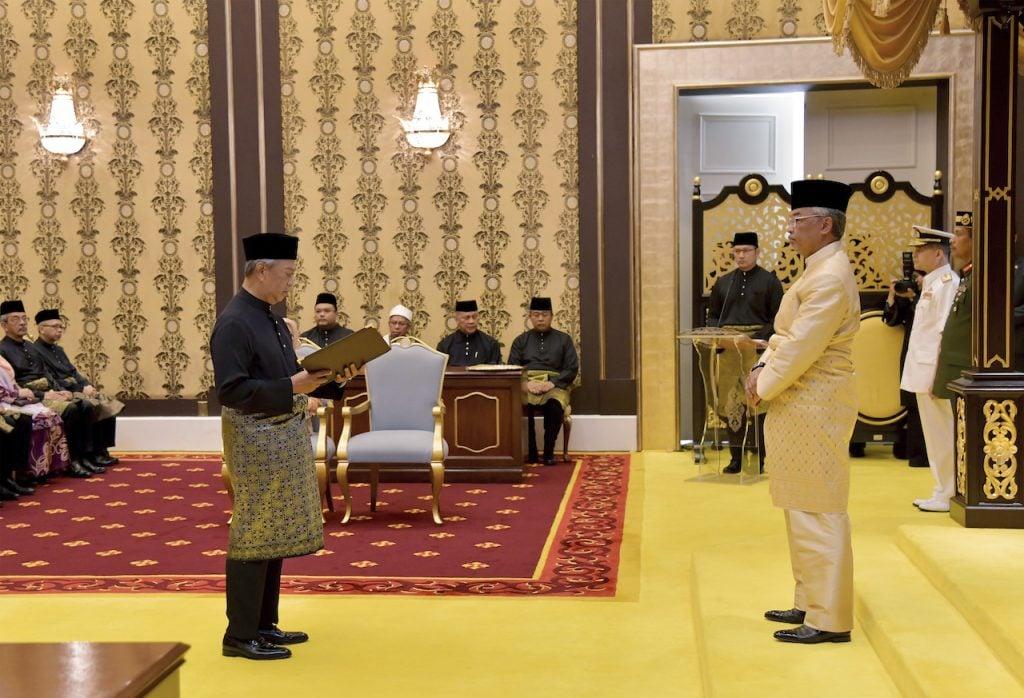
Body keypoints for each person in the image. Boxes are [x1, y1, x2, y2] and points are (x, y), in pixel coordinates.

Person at [211, 232, 344, 661]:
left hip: (280, 434)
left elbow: (292, 376)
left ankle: (263, 625)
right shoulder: (234, 322)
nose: (291, 282)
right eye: (287, 274)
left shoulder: (269, 318)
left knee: (273, 532)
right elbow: (232, 391)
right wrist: (294, 385)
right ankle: (239, 635)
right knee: (254, 530)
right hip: (254, 438)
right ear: (263, 270)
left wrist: (334, 376)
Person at [745, 179, 859, 644]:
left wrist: (762, 383)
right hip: (800, 402)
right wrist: (762, 366)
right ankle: (810, 600)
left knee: (819, 507)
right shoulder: (818, 268)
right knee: (800, 503)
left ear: (825, 225)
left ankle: (829, 618)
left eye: (797, 220)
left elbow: (801, 348)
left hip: (817, 402)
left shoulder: (830, 276)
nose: (789, 229)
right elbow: (786, 339)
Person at [703, 231, 783, 473]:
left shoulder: (770, 282)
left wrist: (756, 339)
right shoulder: (723, 282)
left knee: (758, 403)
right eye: (737, 251)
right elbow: (713, 317)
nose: (741, 256)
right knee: (731, 403)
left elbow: (778, 319)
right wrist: (721, 338)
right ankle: (735, 458)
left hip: (757, 351)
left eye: (746, 251)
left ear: (757, 252)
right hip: (729, 351)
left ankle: (760, 459)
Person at [0, 301, 101, 475]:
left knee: (83, 405)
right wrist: (44, 394)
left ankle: (84, 457)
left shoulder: (30, 347)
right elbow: (13, 385)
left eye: (24, 318)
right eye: (16, 319)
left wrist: (59, 390)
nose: (22, 323)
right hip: (29, 398)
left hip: (48, 392)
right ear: (4, 325)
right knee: (71, 409)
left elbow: (46, 373)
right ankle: (71, 462)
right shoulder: (2, 350)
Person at [899, 227, 958, 512]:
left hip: (933, 371)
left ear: (938, 254)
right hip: (923, 369)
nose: (915, 254)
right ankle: (941, 489)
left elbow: (945, 332)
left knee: (942, 434)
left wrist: (939, 375)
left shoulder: (947, 283)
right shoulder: (932, 282)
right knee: (934, 436)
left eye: (921, 250)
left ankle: (948, 492)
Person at [33, 309, 121, 467]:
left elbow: (74, 372)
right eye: (55, 326)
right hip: (63, 391)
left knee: (105, 401)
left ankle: (101, 450)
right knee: (89, 405)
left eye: (61, 327)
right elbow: (50, 379)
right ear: (41, 329)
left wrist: (87, 385)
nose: (59, 330)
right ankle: (87, 454)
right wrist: (79, 390)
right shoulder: (36, 351)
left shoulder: (58, 350)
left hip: (75, 388)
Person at [508, 297, 579, 465]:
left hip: (554, 385)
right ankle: (528, 452)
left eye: (545, 315)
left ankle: (548, 452)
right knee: (519, 405)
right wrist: (525, 384)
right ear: (530, 317)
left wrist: (552, 383)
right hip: (527, 384)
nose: (540, 319)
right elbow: (512, 367)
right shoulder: (520, 341)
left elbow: (571, 368)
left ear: (552, 316)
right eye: (536, 315)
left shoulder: (564, 339)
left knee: (554, 405)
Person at [932, 210, 974, 445]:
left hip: (965, 367)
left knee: (965, 438)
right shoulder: (968, 274)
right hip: (955, 367)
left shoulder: (982, 277)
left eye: (959, 234)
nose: (953, 240)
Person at [882, 269, 929, 468]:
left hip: (928, 354)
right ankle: (916, 454)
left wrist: (916, 297)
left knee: (928, 406)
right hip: (911, 353)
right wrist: (893, 294)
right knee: (912, 404)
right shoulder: (907, 295)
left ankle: (925, 456)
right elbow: (890, 320)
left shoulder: (934, 291)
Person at [437, 299, 502, 366]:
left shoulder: (491, 344)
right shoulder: (445, 345)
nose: (471, 321)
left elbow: (497, 371)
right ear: (457, 320)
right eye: (466, 318)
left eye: (474, 317)